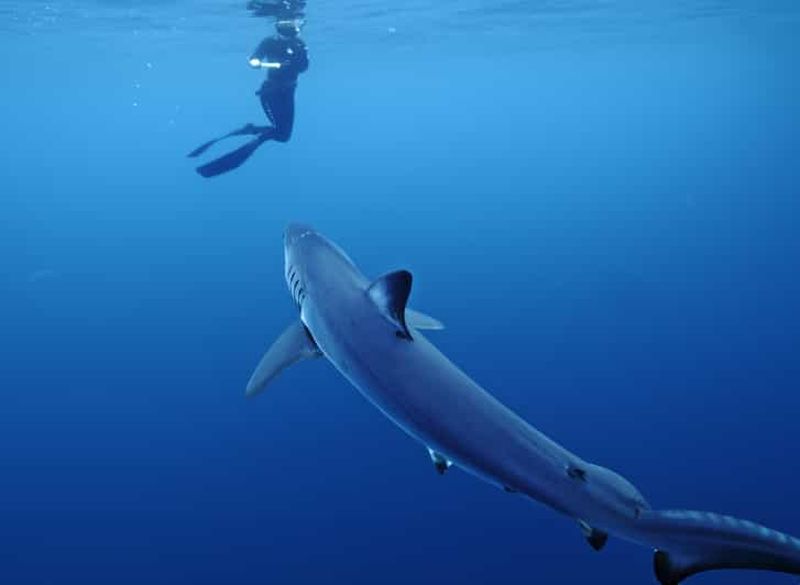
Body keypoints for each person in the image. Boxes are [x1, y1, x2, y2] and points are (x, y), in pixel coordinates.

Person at [188, 19, 309, 178]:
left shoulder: (299, 44)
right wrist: (259, 63)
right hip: (271, 93)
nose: (288, 35)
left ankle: (250, 129)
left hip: (289, 91)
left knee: (284, 136)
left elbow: (304, 67)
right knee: (280, 133)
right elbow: (253, 60)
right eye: (284, 31)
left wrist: (292, 62)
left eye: (291, 31)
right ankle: (257, 136)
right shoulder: (269, 42)